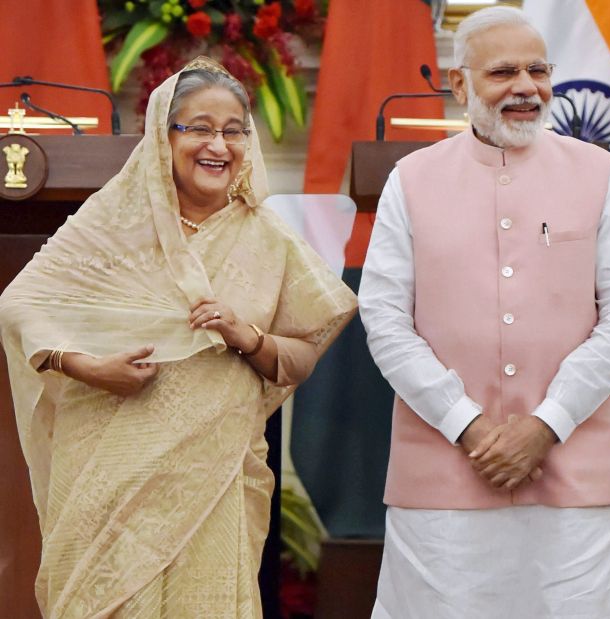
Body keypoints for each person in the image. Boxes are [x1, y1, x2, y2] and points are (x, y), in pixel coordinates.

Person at [0, 56, 356, 617]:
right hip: (107, 475)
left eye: (234, 130)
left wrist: (248, 336)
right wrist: (89, 368)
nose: (219, 145)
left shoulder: (267, 237)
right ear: (163, 137)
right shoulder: (114, 218)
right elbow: (20, 303)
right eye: (199, 128)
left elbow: (303, 355)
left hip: (212, 484)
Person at [359, 7, 610, 618]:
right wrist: (467, 424)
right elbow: (385, 319)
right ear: (460, 84)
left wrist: (547, 425)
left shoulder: (599, 174)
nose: (526, 86)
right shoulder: (410, 179)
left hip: (582, 474)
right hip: (444, 470)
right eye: (503, 71)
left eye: (538, 70)